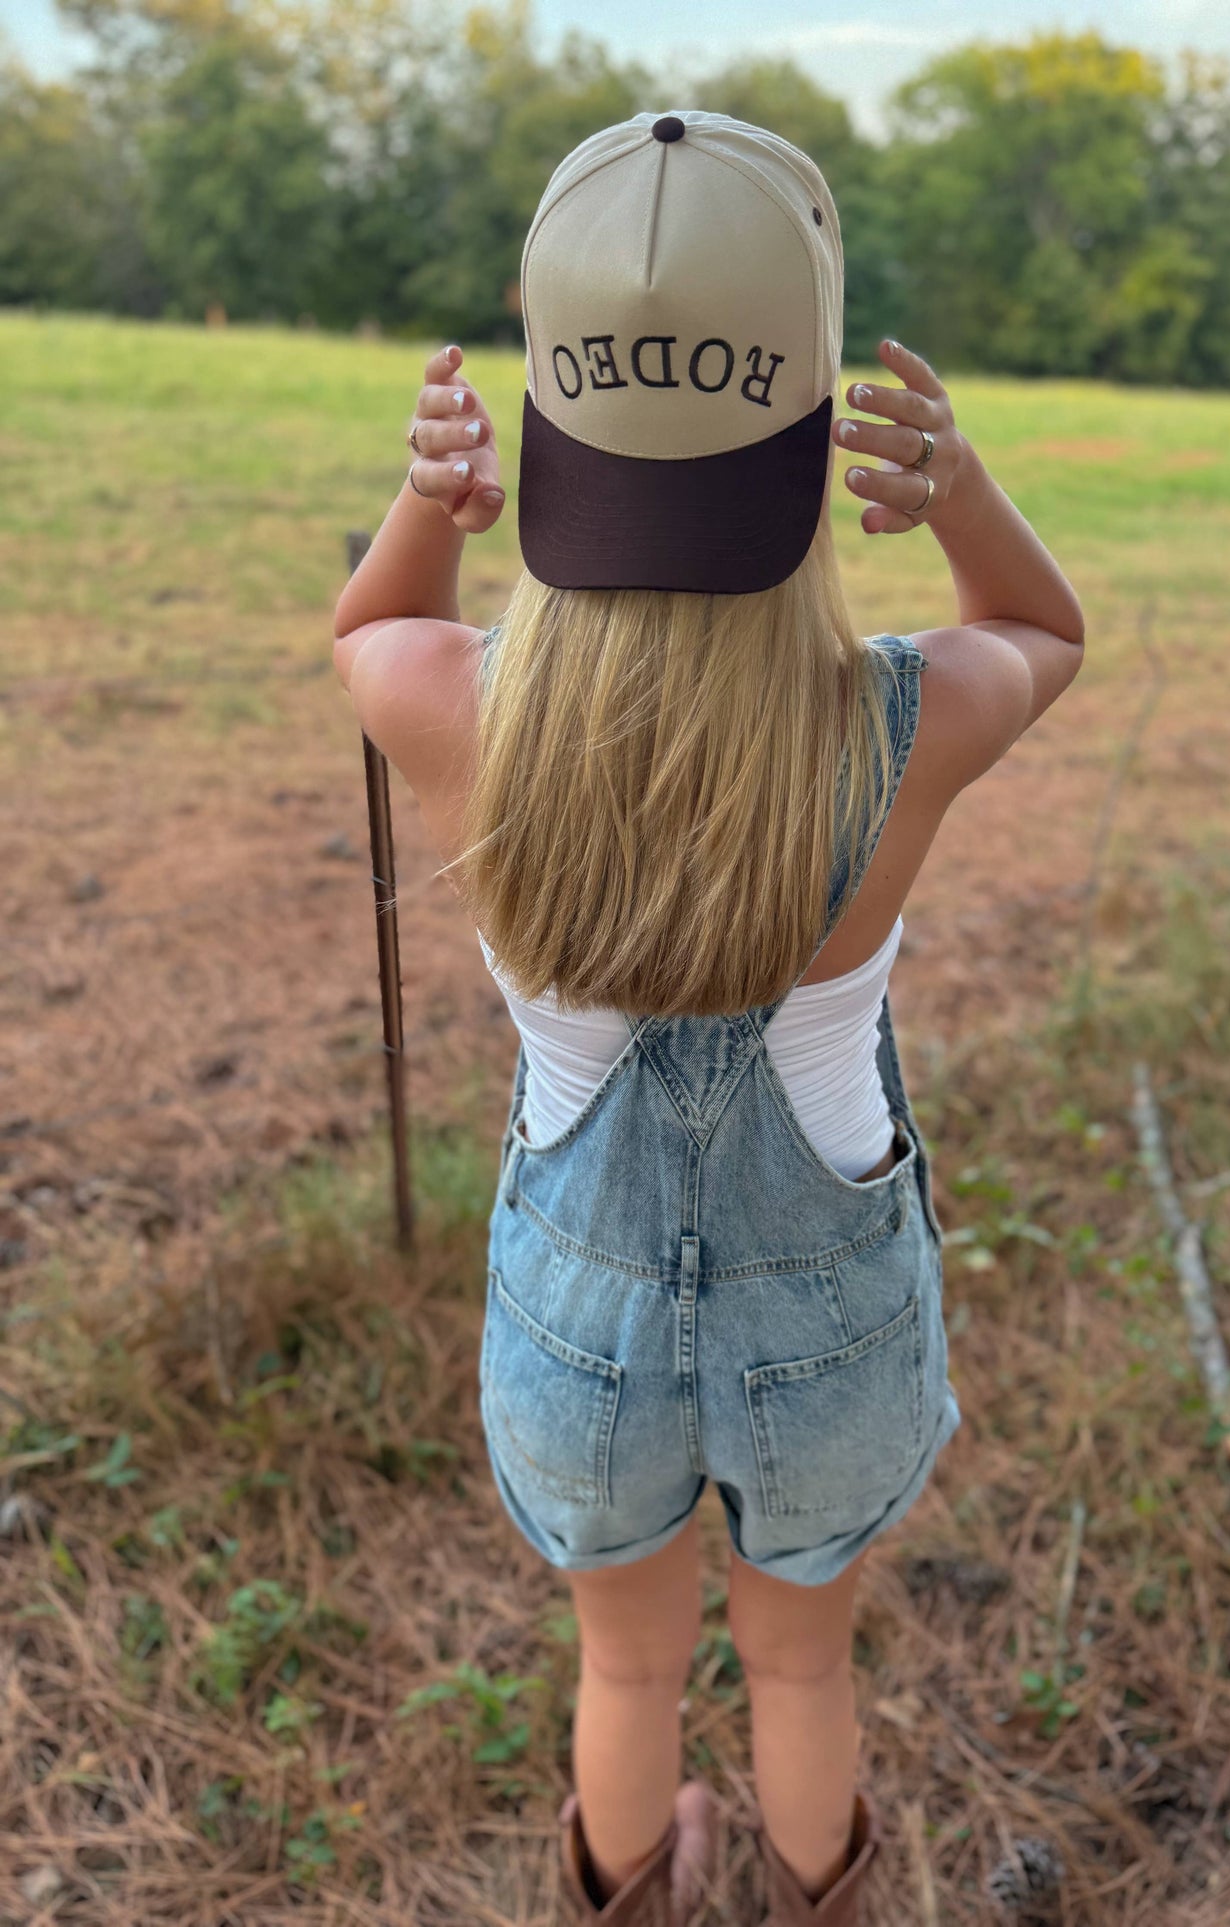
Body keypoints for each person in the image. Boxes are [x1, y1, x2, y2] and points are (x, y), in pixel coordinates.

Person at [333, 109, 1084, 1927]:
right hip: (828, 1329)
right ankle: (817, 1897)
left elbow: (367, 634)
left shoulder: (463, 708)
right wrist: (960, 491)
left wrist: (424, 508)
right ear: (814, 439)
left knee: (627, 1677)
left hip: (578, 1332)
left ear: (545, 412)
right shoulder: (897, 723)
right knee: (805, 1677)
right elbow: (1042, 632)